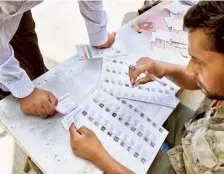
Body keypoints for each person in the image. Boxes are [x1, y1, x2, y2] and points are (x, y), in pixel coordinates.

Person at [69, 1, 224, 174]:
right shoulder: (218, 84)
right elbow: (199, 82)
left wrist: (98, 155)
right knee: (140, 108)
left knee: (114, 152)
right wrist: (164, 68)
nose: (189, 69)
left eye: (200, 63)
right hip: (198, 132)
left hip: (191, 166)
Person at [0, 1, 115, 117]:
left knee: (32, 64)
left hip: (15, 10)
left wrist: (99, 35)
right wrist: (24, 92)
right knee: (11, 96)